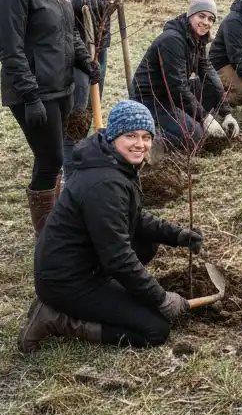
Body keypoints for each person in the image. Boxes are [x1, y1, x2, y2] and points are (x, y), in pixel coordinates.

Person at [18, 100, 200, 351]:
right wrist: (160, 298)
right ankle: (56, 319)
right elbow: (118, 257)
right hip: (67, 281)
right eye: (131, 136)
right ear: (114, 135)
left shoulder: (112, 162)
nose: (140, 144)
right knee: (155, 329)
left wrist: (177, 235)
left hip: (85, 263)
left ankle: (111, 294)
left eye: (146, 136)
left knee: (146, 241)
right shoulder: (104, 184)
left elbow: (132, 216)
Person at [0, 0, 96, 234]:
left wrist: (84, 61)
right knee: (51, 159)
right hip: (34, 92)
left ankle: (57, 224)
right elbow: (10, 52)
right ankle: (48, 236)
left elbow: (70, 33)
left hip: (60, 86)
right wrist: (31, 96)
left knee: (51, 159)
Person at [57, 0, 129, 177]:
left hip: (101, 36)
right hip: (75, 39)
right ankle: (70, 168)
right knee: (77, 109)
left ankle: (82, 155)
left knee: (92, 101)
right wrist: (94, 5)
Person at [131, 0, 238, 148]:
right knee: (195, 136)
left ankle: (187, 119)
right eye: (201, 16)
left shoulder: (198, 39)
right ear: (190, 15)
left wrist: (227, 113)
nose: (206, 22)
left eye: (210, 19)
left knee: (211, 86)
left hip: (172, 93)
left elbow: (209, 74)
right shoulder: (172, 40)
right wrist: (206, 117)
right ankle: (154, 137)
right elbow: (177, 87)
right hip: (151, 98)